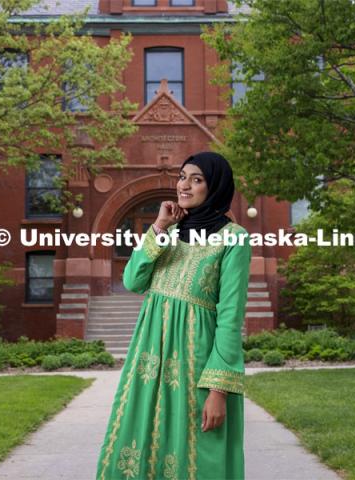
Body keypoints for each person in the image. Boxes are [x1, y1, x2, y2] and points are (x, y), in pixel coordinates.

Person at [96, 151, 252, 480]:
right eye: (182, 177)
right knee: (141, 438)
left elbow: (230, 316)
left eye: (197, 180)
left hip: (196, 361)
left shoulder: (233, 238)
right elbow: (133, 281)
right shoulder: (168, 232)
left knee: (197, 448)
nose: (185, 185)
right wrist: (158, 226)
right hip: (149, 358)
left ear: (216, 187)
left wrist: (218, 390)